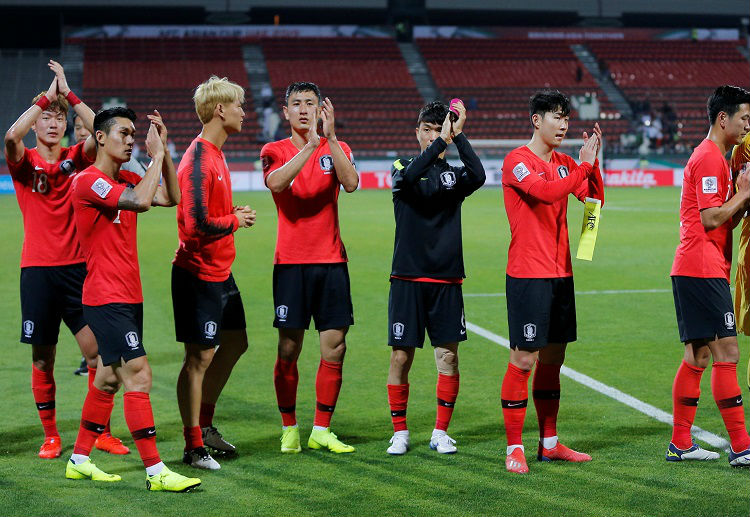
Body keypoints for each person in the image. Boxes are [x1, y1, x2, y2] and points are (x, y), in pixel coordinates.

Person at [65, 107, 200, 491]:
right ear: (101, 138)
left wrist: (165, 152)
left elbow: (170, 197)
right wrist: (154, 157)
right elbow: (140, 202)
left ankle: (78, 459)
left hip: (128, 295)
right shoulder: (88, 181)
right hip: (105, 298)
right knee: (139, 373)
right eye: (123, 133)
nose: (130, 139)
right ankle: (156, 472)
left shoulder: (125, 177)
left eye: (133, 134)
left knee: (107, 380)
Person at [4, 60, 128, 458]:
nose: (54, 124)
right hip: (37, 271)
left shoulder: (80, 156)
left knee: (98, 354)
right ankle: (52, 435)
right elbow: (11, 135)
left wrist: (69, 93)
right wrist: (45, 99)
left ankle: (100, 433)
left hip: (78, 270)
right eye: (47, 119)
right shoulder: (24, 165)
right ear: (38, 123)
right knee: (43, 357)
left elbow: (99, 128)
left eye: (59, 119)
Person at [500, 89, 603, 474]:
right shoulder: (517, 162)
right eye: (556, 117)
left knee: (553, 361)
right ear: (536, 120)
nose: (563, 124)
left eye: (566, 118)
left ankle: (549, 444)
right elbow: (546, 194)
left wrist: (594, 167)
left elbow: (593, 203)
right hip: (528, 276)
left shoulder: (564, 162)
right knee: (523, 359)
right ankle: (514, 448)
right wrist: (584, 167)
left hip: (561, 276)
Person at [260, 81, 358, 454]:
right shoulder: (274, 149)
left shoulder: (338, 148)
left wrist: (329, 141)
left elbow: (351, 184)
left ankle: (322, 428)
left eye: (310, 104)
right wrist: (311, 146)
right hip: (291, 264)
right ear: (285, 112)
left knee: (335, 347)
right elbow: (278, 183)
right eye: (297, 104)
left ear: (321, 109)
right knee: (289, 348)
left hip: (332, 262)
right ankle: (289, 427)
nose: (304, 109)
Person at [385, 100, 485, 455]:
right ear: (417, 132)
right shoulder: (402, 166)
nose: (432, 135)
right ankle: (400, 432)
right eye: (426, 129)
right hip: (407, 278)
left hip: (446, 280)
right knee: (401, 357)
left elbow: (479, 175)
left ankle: (440, 432)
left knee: (448, 358)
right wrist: (442, 142)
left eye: (437, 127)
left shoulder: (454, 176)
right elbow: (410, 179)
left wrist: (459, 137)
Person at [174, 76, 256, 470]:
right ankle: (193, 447)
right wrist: (236, 220)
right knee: (198, 359)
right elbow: (194, 226)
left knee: (236, 342)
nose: (244, 111)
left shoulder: (218, 154)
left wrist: (231, 216)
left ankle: (204, 427)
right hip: (197, 274)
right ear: (220, 110)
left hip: (221, 271)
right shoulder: (199, 159)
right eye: (239, 104)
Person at [667, 85, 750, 467]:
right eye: (744, 118)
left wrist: (741, 203)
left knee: (698, 355)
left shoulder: (715, 157)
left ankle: (680, 443)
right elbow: (711, 217)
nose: (748, 125)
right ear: (724, 118)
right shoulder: (708, 157)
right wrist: (744, 194)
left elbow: (725, 215)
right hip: (701, 268)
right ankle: (741, 445)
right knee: (727, 352)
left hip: (696, 267)